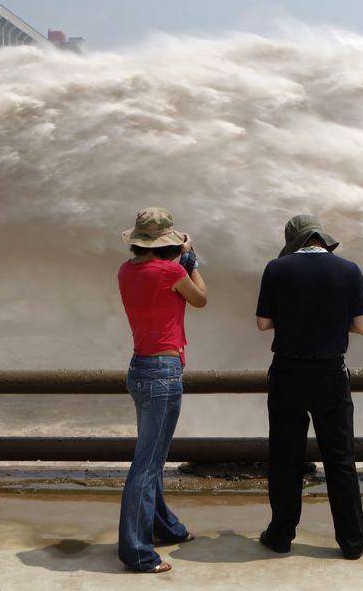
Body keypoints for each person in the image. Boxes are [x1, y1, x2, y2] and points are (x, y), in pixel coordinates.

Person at [255, 213, 363, 560]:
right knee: (340, 459)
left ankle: (280, 535)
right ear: (321, 238)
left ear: (294, 241)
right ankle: (352, 541)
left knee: (285, 456)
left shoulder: (276, 269)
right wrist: (333, 324)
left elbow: (263, 323)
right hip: (330, 373)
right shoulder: (349, 270)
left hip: (288, 371)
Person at [117, 206, 207, 573]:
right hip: (163, 371)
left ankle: (166, 527)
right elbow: (200, 298)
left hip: (139, 367)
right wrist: (191, 260)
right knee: (147, 465)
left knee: (150, 457)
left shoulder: (126, 270)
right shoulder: (171, 270)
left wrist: (179, 257)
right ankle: (137, 552)